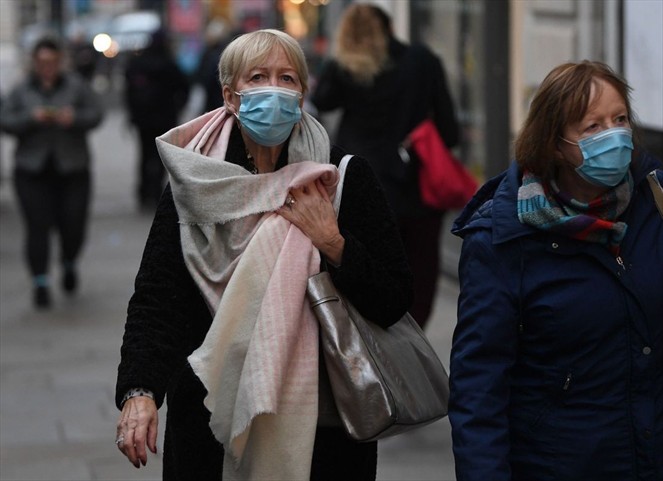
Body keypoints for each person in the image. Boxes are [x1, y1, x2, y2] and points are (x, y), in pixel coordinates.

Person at [114, 29, 413, 480]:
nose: (274, 89)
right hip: (209, 414)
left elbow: (393, 298)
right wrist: (140, 390)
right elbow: (159, 297)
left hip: (321, 422)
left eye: (287, 78)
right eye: (258, 77)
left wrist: (333, 242)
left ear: (302, 93)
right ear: (230, 96)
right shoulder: (196, 187)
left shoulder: (340, 178)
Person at [448, 61, 663, 481]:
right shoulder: (503, 239)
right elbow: (479, 390)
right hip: (559, 463)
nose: (615, 136)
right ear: (555, 142)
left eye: (620, 120)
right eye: (593, 127)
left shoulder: (653, 202)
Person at [311, 4, 460, 329]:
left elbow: (322, 99)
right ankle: (412, 344)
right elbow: (450, 131)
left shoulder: (346, 68)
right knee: (419, 277)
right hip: (415, 187)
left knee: (365, 271)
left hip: (358, 187)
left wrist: (337, 61)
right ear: (391, 28)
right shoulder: (423, 61)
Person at [0, 37, 103, 308]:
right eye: (41, 62)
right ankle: (40, 282)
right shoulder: (21, 90)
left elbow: (96, 113)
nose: (47, 67)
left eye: (52, 61)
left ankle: (69, 262)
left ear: (60, 62)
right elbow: (6, 121)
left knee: (73, 226)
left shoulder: (76, 86)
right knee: (37, 228)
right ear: (34, 63)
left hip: (72, 169)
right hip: (31, 171)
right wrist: (30, 119)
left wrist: (74, 119)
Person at [124, 28, 189, 211]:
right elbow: (183, 88)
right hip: (164, 119)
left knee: (144, 155)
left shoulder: (137, 64)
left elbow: (129, 92)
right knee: (160, 157)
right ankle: (154, 192)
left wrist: (132, 114)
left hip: (143, 120)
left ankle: (144, 192)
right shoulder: (169, 64)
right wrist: (177, 107)